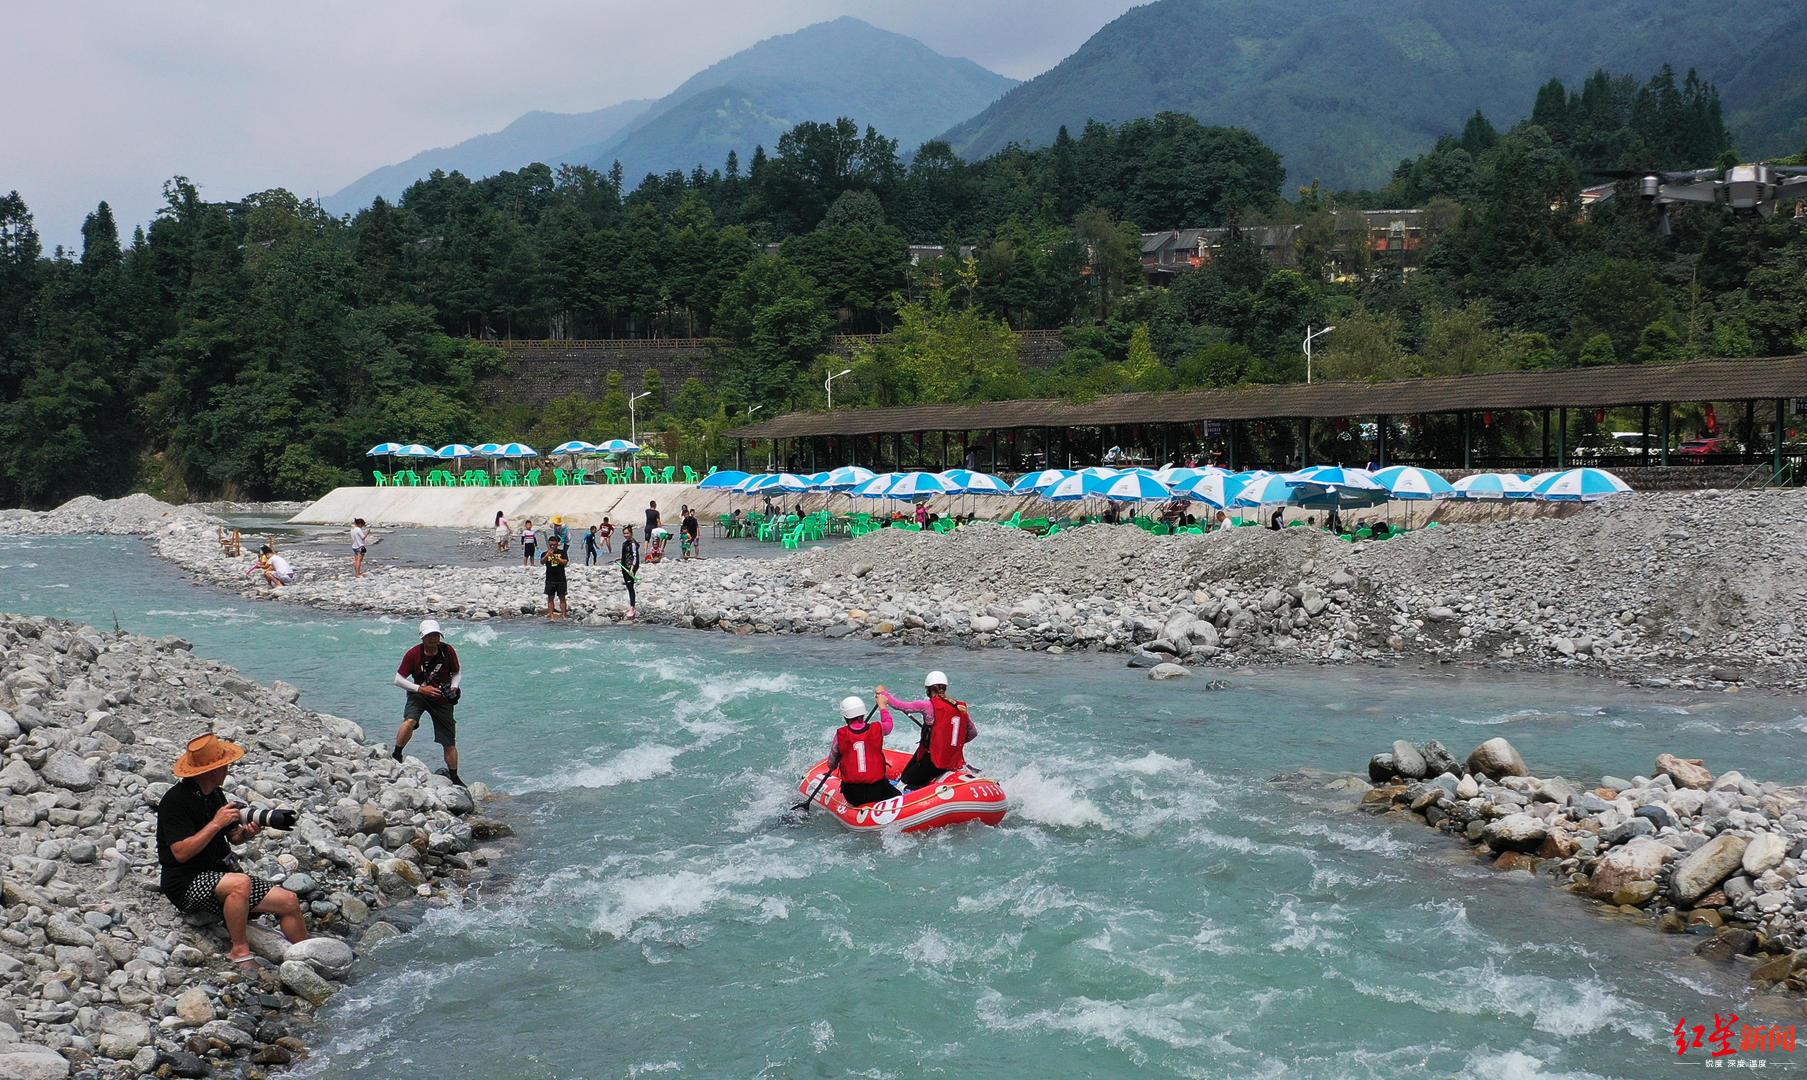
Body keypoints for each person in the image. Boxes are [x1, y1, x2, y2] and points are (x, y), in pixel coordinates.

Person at [156, 734, 309, 968]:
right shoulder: (175, 801)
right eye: (224, 765)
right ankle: (239, 950)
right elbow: (180, 853)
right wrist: (215, 823)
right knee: (241, 883)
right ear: (212, 770)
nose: (227, 769)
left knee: (288, 901)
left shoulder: (214, 795)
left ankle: (308, 955)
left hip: (221, 876)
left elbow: (233, 837)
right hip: (185, 882)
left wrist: (246, 833)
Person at [392, 619, 465, 786]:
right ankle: (397, 754)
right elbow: (398, 679)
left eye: (436, 635)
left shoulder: (448, 651)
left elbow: (457, 672)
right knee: (410, 721)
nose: (433, 639)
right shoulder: (413, 654)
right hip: (418, 695)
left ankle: (454, 777)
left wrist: (454, 688)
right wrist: (420, 689)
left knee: (449, 741)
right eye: (429, 636)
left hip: (441, 699)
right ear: (422, 637)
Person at [878, 670, 976, 791]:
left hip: (933, 762)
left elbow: (899, 705)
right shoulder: (961, 708)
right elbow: (972, 733)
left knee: (902, 784)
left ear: (928, 689)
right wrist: (950, 742)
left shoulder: (927, 706)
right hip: (953, 761)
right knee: (906, 774)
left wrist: (883, 693)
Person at [827, 695, 899, 807]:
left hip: (853, 795)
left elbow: (831, 763)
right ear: (863, 714)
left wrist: (835, 764)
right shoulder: (878, 728)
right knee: (898, 795)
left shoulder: (840, 735)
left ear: (846, 717)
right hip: (877, 790)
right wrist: (882, 707)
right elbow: (889, 725)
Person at [619, 524, 640, 619]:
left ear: (631, 533)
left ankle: (632, 608)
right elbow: (626, 555)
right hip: (624, 567)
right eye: (624, 533)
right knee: (628, 587)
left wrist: (632, 568)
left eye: (627, 533)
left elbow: (634, 556)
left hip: (631, 568)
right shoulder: (624, 543)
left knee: (631, 587)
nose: (626, 535)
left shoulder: (633, 543)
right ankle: (631, 606)